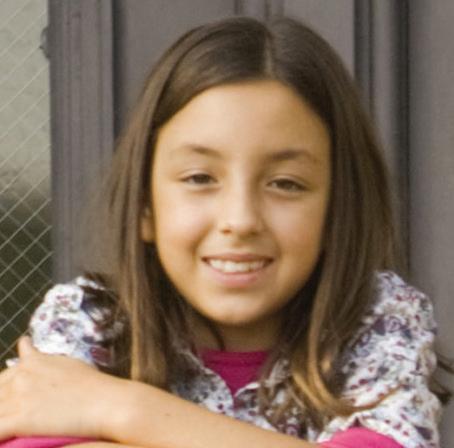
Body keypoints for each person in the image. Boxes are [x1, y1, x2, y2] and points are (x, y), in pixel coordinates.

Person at [0, 16, 446, 448]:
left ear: (337, 210)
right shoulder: (90, 320)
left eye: (285, 184)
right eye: (199, 178)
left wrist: (121, 409)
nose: (241, 219)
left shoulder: (378, 320)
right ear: (145, 204)